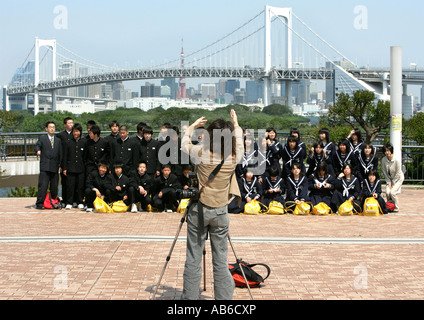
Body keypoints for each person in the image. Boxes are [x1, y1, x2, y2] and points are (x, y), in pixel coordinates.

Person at [181, 109, 243, 300]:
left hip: (198, 211)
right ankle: (223, 300)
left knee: (193, 258)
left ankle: (190, 300)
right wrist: (236, 123)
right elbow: (239, 141)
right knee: (221, 261)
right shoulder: (233, 158)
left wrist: (191, 127)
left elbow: (184, 145)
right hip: (220, 212)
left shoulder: (200, 153)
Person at [34, 121, 62, 210]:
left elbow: (60, 153)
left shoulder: (58, 140)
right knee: (43, 186)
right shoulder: (42, 138)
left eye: (53, 127)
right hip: (45, 166)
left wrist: (60, 165)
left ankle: (53, 202)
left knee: (54, 187)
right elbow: (37, 146)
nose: (52, 129)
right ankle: (39, 203)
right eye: (50, 127)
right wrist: (38, 151)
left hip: (54, 166)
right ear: (46, 128)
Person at [62, 123, 87, 209]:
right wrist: (64, 168)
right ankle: (69, 202)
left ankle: (80, 201)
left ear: (80, 132)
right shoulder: (68, 142)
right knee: (70, 186)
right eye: (74, 131)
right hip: (71, 168)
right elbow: (65, 156)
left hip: (81, 168)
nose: (75, 133)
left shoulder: (84, 142)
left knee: (80, 186)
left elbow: (85, 157)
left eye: (77, 131)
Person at [381, 143, 404, 212]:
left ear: (391, 151)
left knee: (393, 192)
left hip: (398, 178)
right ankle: (390, 206)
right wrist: (388, 182)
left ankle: (396, 207)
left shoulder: (396, 160)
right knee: (388, 192)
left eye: (388, 150)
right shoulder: (383, 160)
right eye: (385, 151)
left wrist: (393, 182)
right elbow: (384, 172)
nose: (387, 152)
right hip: (390, 179)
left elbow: (398, 172)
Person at [56, 117, 74, 207]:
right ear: (65, 124)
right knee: (64, 182)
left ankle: (72, 200)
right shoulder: (60, 136)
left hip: (73, 162)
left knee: (73, 182)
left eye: (72, 123)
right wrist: (60, 164)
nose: (71, 124)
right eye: (69, 123)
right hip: (63, 162)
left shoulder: (75, 135)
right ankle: (65, 199)